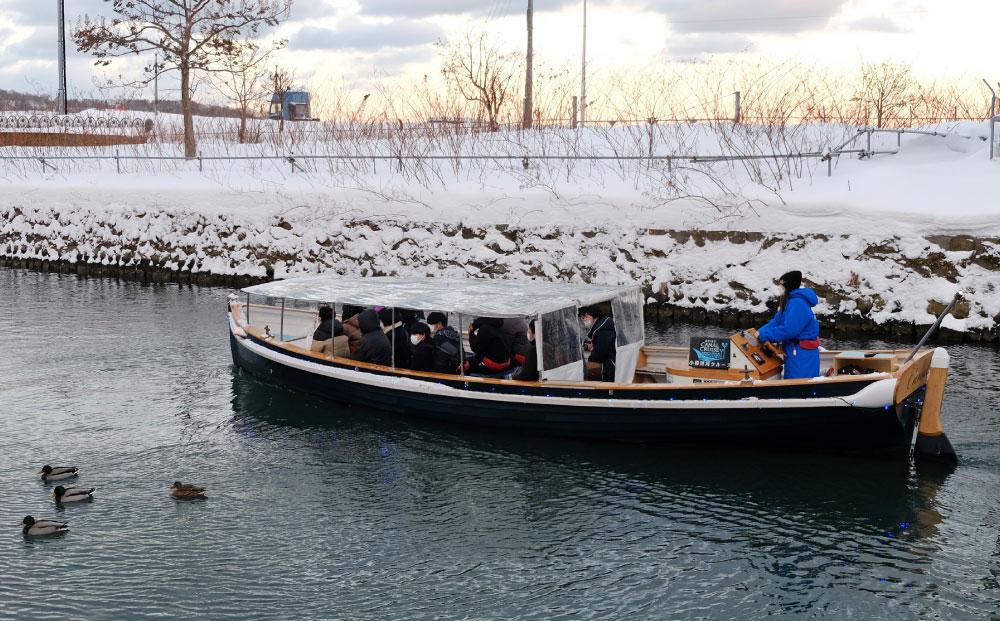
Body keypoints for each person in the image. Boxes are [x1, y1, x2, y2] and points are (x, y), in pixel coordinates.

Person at [758, 270, 820, 379]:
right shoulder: (790, 301)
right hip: (794, 350)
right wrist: (759, 332)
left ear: (787, 286)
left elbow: (788, 330)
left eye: (781, 285)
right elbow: (777, 321)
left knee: (798, 384)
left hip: (801, 353)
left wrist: (765, 336)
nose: (779, 288)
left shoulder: (798, 304)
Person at [581, 305, 616, 382]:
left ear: (595, 317)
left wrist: (593, 349)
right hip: (613, 361)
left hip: (608, 366)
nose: (585, 319)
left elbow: (600, 356)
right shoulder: (605, 325)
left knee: (583, 370)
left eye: (587, 316)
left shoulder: (602, 331)